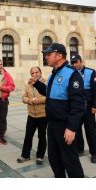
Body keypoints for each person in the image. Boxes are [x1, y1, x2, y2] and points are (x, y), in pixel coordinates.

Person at [30, 43, 85, 178]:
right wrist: (36, 83)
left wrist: (72, 128)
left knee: (70, 162)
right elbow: (49, 93)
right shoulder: (53, 74)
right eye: (46, 54)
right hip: (52, 125)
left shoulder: (72, 74)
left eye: (49, 54)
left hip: (65, 126)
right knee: (55, 160)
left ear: (59, 55)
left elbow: (78, 104)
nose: (46, 57)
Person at [71, 54, 96, 163]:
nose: (74, 64)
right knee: (77, 129)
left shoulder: (90, 72)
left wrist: (95, 106)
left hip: (88, 107)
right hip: (76, 107)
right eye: (72, 62)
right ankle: (79, 149)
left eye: (76, 62)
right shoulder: (71, 73)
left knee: (90, 130)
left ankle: (94, 153)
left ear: (81, 61)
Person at [17, 66, 47, 164]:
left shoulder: (46, 82)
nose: (34, 75)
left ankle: (40, 156)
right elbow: (23, 97)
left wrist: (38, 100)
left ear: (41, 72)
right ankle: (25, 155)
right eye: (32, 73)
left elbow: (50, 97)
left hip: (43, 115)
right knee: (28, 136)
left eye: (36, 72)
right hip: (31, 115)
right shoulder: (28, 84)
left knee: (42, 137)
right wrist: (29, 100)